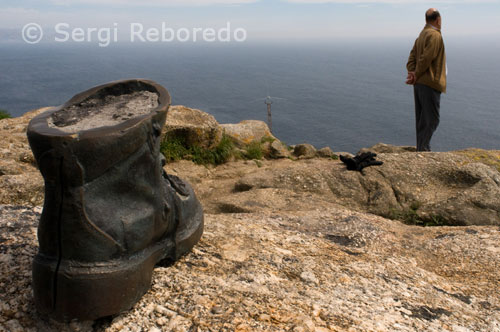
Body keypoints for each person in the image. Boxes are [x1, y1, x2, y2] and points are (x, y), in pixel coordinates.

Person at [406, 8, 447, 152]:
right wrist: (416, 74)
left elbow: (412, 56)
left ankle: (421, 147)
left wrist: (411, 72)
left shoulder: (422, 35)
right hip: (430, 82)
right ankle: (423, 148)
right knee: (432, 119)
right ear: (438, 20)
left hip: (419, 84)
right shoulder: (435, 36)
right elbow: (426, 58)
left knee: (422, 118)